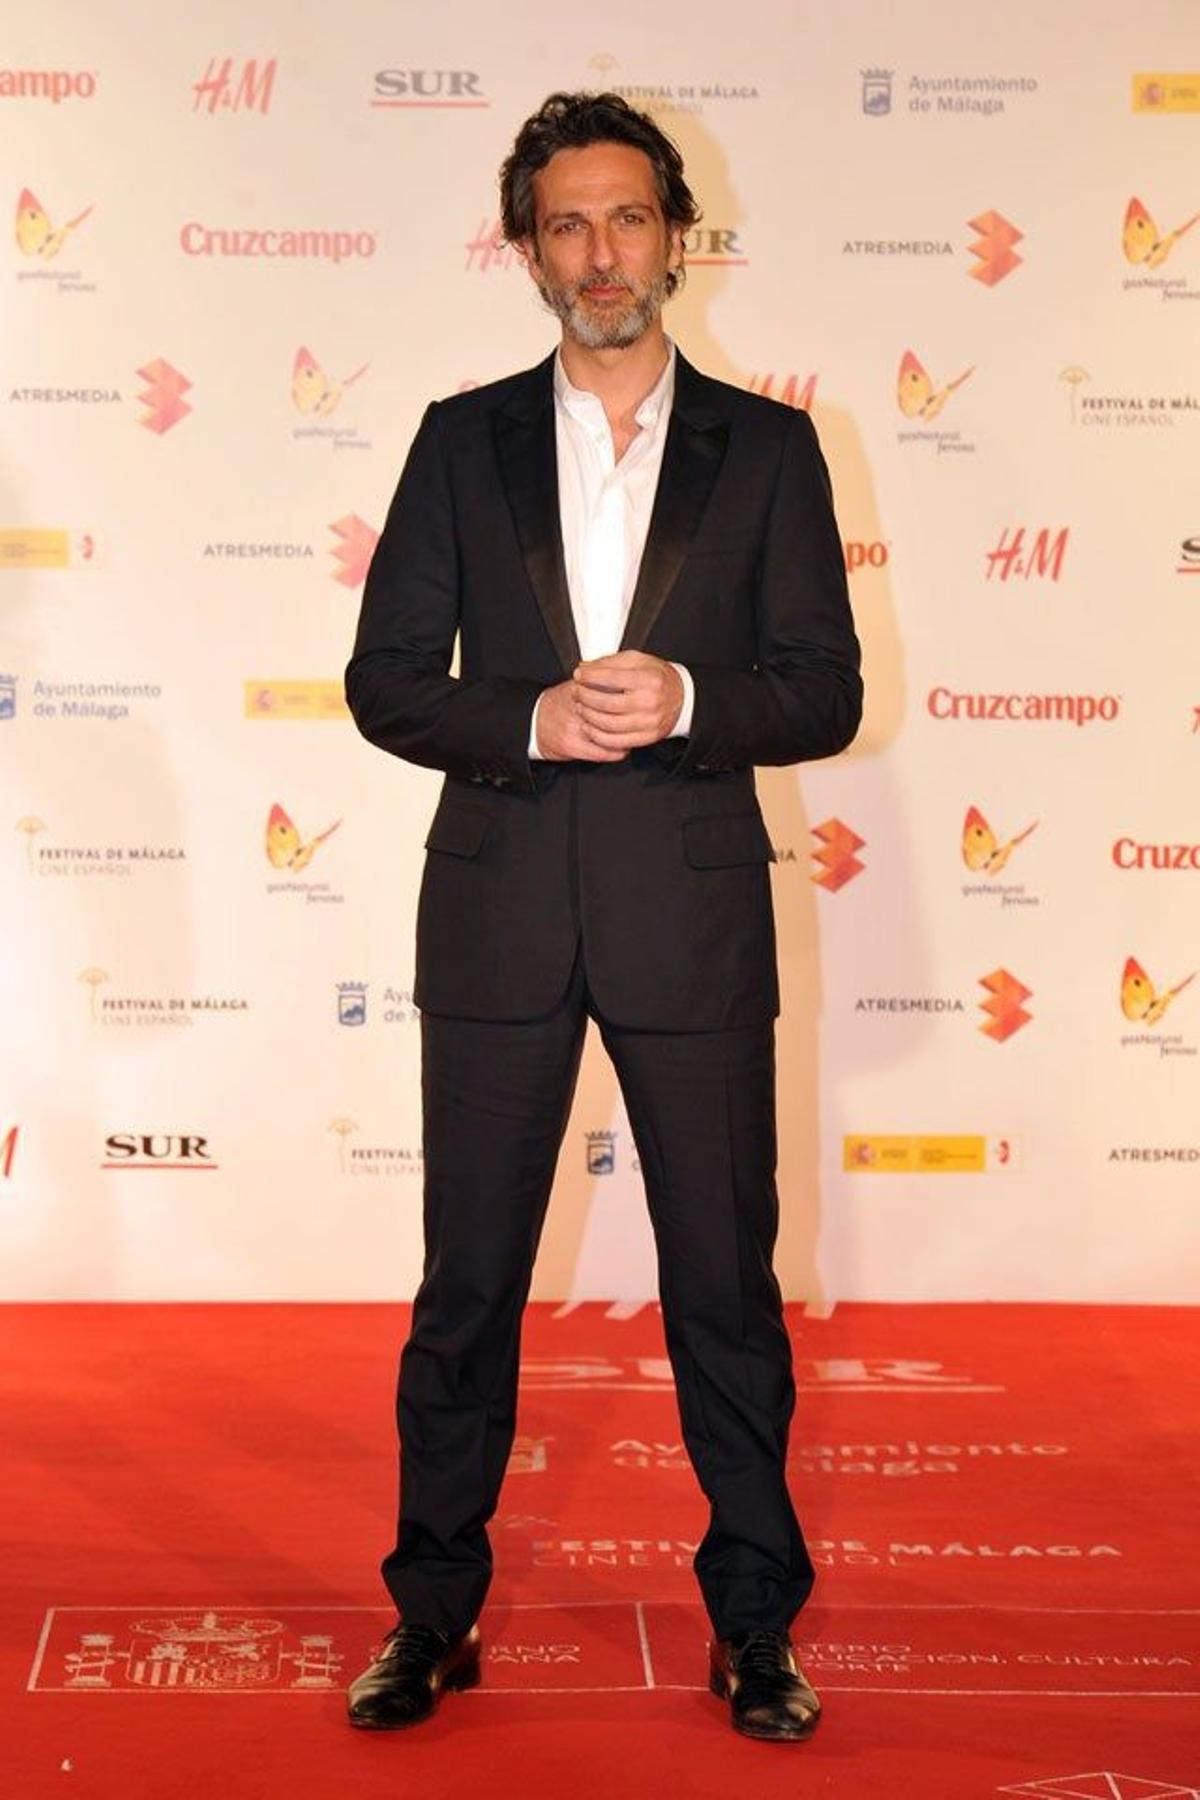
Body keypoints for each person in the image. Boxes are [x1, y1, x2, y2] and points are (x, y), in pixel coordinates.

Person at [343, 91, 862, 1742]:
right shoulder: (456, 436)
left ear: (677, 237)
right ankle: (431, 1614)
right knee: (469, 1287)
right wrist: (528, 718)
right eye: (565, 224)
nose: (599, 253)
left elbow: (824, 692)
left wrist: (695, 695)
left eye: (627, 218)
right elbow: (382, 683)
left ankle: (757, 1625)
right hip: (497, 919)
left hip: (694, 922)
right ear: (526, 251)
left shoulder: (771, 449)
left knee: (724, 1284)